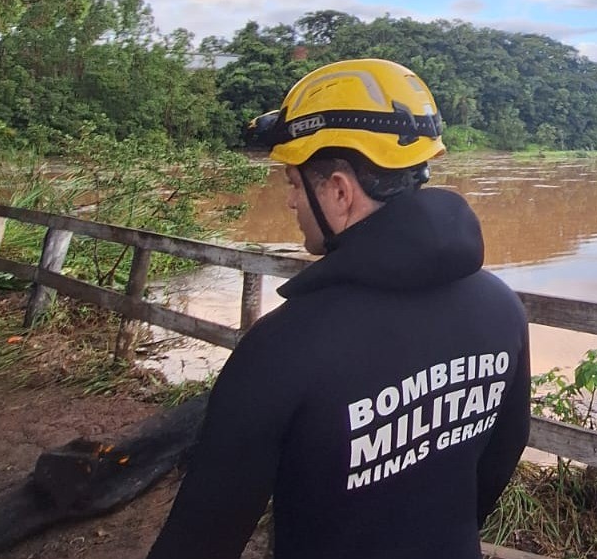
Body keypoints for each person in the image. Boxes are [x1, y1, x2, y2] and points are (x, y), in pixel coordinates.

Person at [147, 58, 530, 559]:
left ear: (339, 191)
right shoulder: (502, 307)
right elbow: (501, 456)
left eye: (292, 182)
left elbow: (200, 540)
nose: (289, 202)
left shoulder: (282, 348)